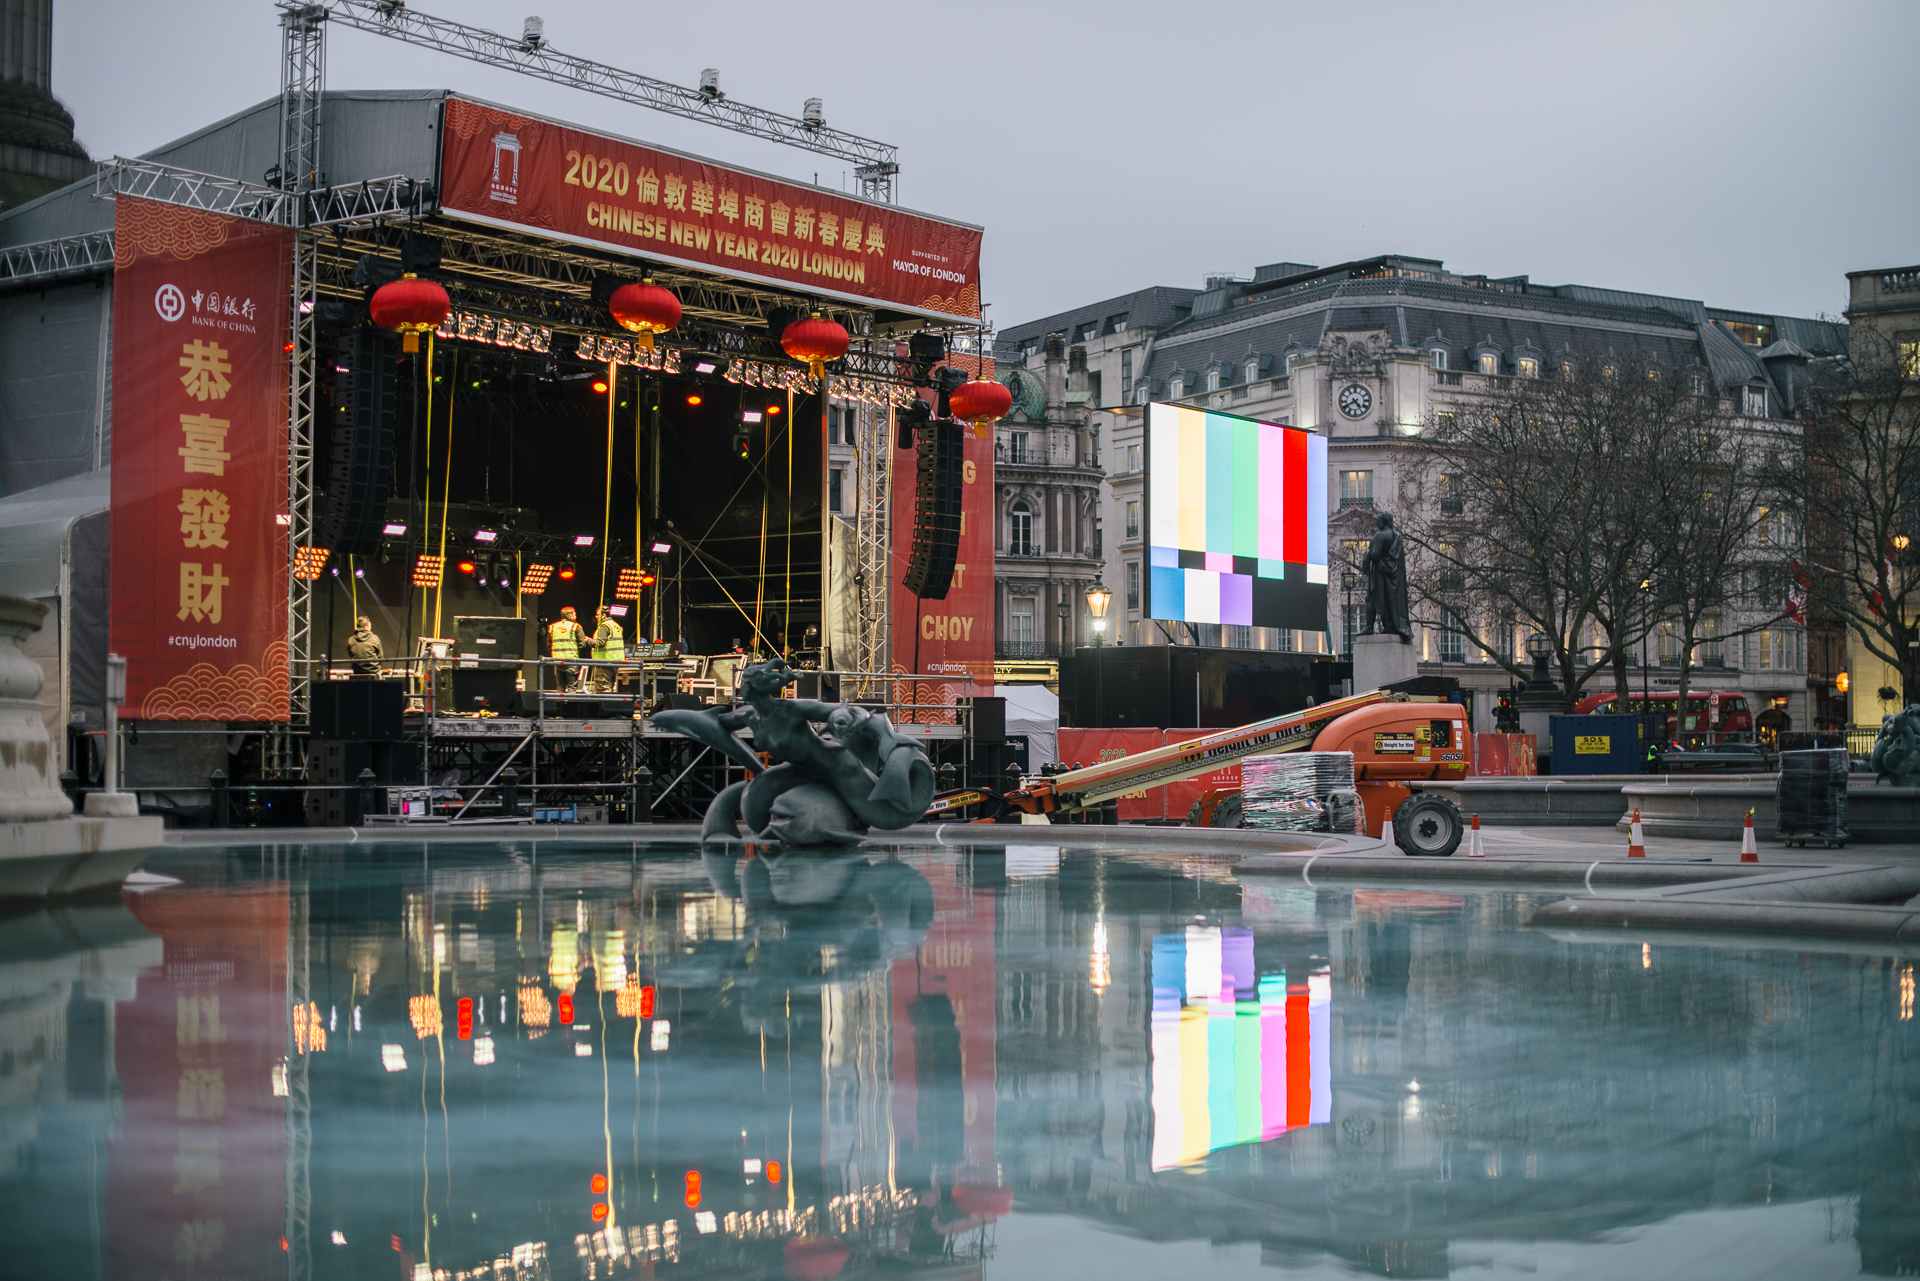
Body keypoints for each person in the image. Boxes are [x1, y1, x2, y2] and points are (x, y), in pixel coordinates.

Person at [548, 606, 586, 692]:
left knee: (560, 687)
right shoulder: (575, 626)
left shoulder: (553, 627)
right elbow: (582, 644)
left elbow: (549, 644)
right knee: (572, 688)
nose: (576, 616)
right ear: (570, 615)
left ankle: (559, 705)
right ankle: (570, 705)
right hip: (572, 661)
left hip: (558, 661)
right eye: (575, 614)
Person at [588, 605, 625, 694]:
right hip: (615, 663)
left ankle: (604, 707)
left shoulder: (604, 626)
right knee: (610, 690)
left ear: (603, 615)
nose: (596, 617)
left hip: (604, 662)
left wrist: (588, 641)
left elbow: (600, 643)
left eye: (597, 615)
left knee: (603, 690)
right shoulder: (616, 625)